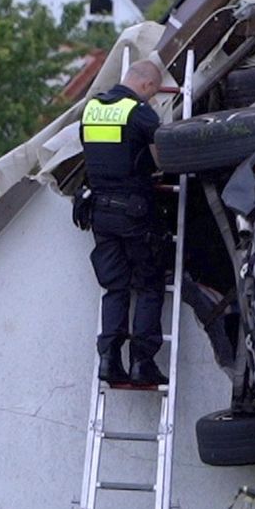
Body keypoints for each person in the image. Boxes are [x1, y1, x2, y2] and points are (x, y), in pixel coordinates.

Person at [80, 59, 170, 386]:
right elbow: (163, 156)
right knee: (148, 284)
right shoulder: (139, 111)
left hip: (99, 213)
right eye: (153, 93)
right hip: (133, 211)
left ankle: (108, 360)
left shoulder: (91, 109)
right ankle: (142, 363)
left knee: (115, 287)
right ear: (146, 85)